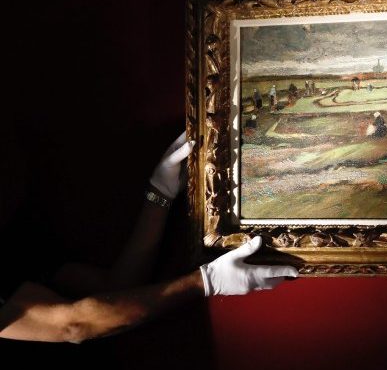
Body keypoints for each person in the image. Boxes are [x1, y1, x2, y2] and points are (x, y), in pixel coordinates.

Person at [0, 133, 298, 343]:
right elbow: (73, 325)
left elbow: (116, 289)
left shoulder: (16, 237)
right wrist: (204, 281)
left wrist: (159, 194)